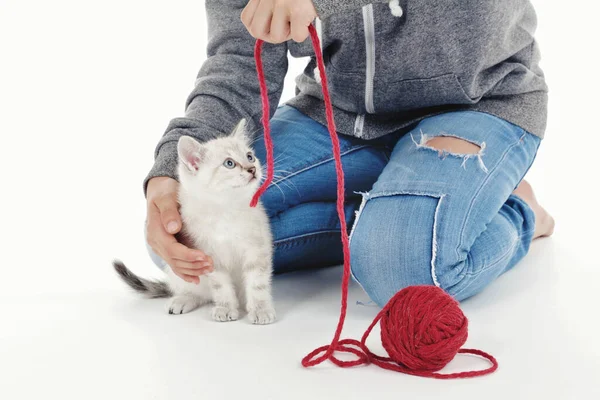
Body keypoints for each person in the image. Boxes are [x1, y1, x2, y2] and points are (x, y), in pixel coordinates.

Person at [144, 0, 554, 306]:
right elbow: (237, 60)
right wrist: (169, 176)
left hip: (475, 103)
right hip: (340, 115)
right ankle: (390, 212)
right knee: (192, 241)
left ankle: (520, 211)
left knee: (405, 268)